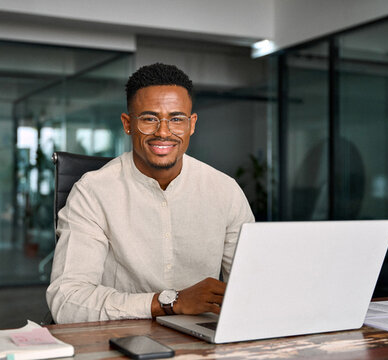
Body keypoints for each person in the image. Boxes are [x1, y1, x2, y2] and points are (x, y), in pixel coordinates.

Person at [46, 63, 255, 324]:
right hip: (119, 338)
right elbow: (67, 302)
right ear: (127, 124)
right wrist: (168, 302)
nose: (163, 132)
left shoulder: (225, 191)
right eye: (149, 118)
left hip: (203, 342)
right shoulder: (92, 192)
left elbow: (253, 288)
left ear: (192, 124)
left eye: (176, 119)